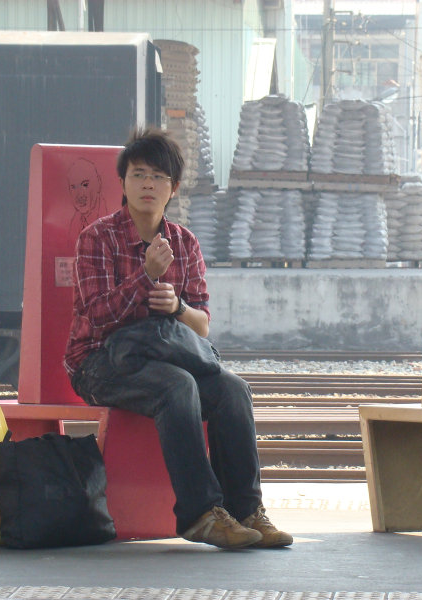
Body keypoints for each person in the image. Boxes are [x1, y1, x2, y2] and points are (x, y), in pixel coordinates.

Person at [64, 127, 292, 550]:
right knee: (178, 386)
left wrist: (177, 309)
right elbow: (94, 317)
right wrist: (144, 277)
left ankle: (245, 511)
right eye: (138, 174)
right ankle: (200, 514)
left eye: (158, 177)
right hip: (98, 365)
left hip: (163, 358)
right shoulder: (98, 237)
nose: (148, 184)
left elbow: (201, 323)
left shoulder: (184, 243)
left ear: (174, 187)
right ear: (123, 182)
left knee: (233, 389)